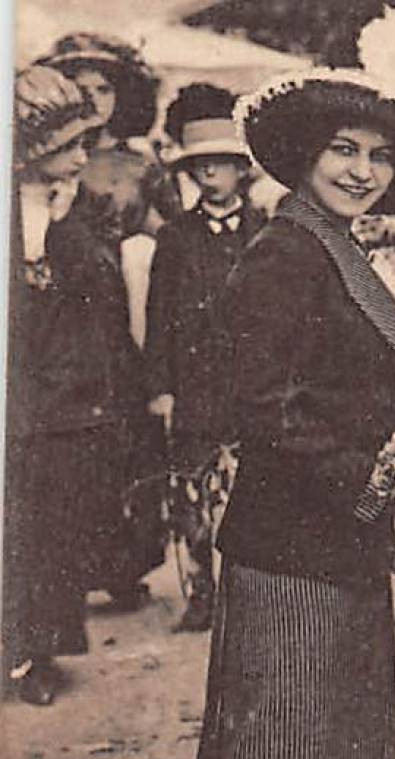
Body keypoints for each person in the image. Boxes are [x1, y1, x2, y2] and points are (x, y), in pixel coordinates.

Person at [174, 65, 395, 759]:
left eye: (377, 156)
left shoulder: (335, 246)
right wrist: (377, 483)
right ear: (305, 155)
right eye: (342, 149)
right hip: (292, 551)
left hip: (340, 548)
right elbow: (263, 407)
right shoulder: (285, 252)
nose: (360, 171)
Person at [39, 32, 168, 610]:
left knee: (132, 433)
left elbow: (174, 231)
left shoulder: (141, 164)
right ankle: (74, 567)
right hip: (70, 310)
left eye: (105, 89)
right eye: (81, 89)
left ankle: (125, 563)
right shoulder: (47, 160)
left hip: (129, 305)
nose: (94, 99)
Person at [145, 84, 267, 633]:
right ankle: (201, 591)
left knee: (251, 485)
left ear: (244, 170)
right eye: (201, 166)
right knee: (193, 488)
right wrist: (161, 388)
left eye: (222, 163)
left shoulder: (267, 233)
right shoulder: (175, 237)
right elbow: (159, 316)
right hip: (195, 381)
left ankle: (253, 591)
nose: (210, 174)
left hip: (252, 382)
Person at [4, 66, 106, 706]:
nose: (81, 158)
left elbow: (93, 301)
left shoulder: (77, 212)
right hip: (18, 392)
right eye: (69, 147)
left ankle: (37, 653)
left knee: (47, 534)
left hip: (59, 401)